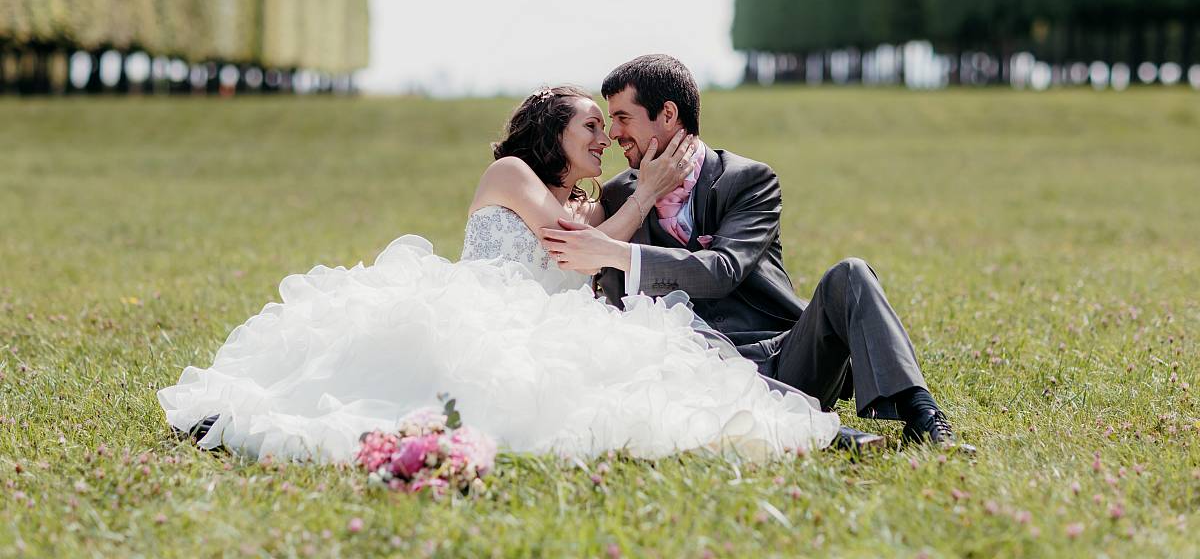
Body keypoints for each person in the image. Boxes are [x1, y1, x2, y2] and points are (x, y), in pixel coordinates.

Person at [158, 85, 840, 462]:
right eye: (592, 128)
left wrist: (639, 191)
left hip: (546, 322)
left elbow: (598, 241)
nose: (604, 140)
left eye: (609, 128)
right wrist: (639, 192)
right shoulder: (513, 173)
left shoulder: (590, 199)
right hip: (483, 308)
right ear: (554, 134)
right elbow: (572, 247)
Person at [541, 55, 974, 452]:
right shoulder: (620, 195)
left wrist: (620, 253)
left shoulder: (748, 181)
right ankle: (820, 432)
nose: (614, 135)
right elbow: (622, 302)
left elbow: (723, 271)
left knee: (852, 274)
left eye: (622, 118)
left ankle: (922, 414)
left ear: (668, 115)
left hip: (786, 358)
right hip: (697, 371)